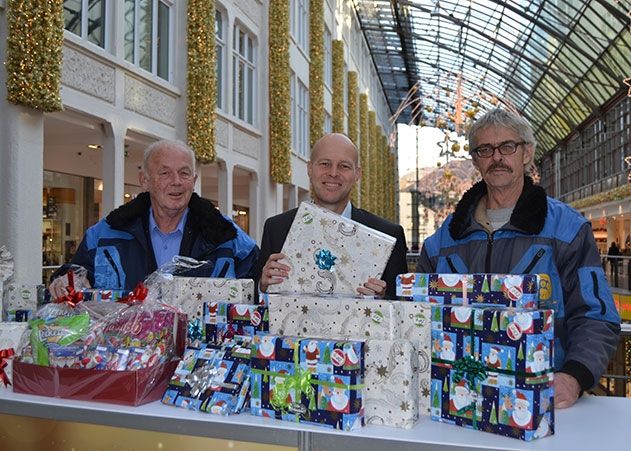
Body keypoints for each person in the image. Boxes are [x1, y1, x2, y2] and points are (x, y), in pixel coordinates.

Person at [416, 109, 620, 409]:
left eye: (508, 147)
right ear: (475, 160)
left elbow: (595, 314)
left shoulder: (566, 229)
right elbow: (417, 314)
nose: (497, 157)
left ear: (527, 153)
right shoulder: (442, 242)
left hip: (540, 399)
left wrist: (574, 375)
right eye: (485, 149)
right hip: (461, 397)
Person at [50, 139, 259, 296]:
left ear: (193, 181)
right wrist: (67, 280)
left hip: (199, 352)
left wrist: (266, 281)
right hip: (125, 350)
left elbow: (259, 282)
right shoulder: (105, 235)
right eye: (165, 173)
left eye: (184, 173)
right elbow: (76, 273)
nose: (176, 181)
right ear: (145, 180)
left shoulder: (227, 237)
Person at [257, 133, 408, 299]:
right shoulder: (276, 228)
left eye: (344, 166)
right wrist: (263, 287)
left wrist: (383, 299)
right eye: (325, 164)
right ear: (309, 168)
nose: (333, 173)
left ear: (357, 174)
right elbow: (261, 306)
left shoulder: (388, 237)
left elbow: (402, 308)